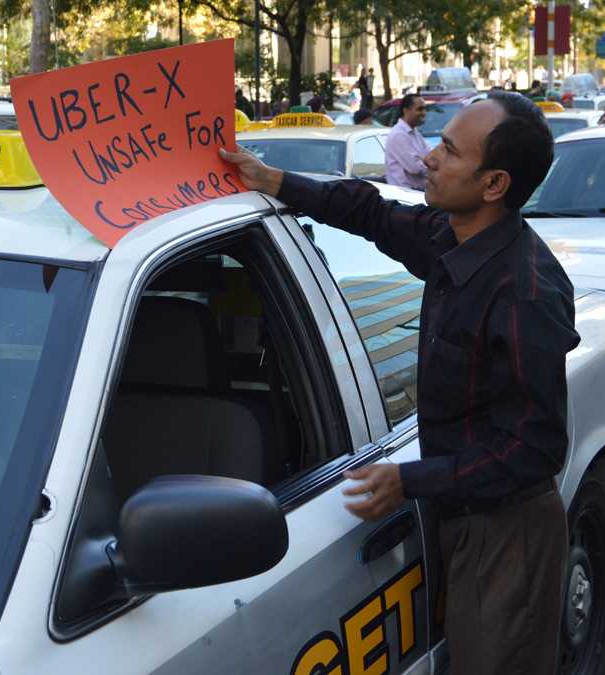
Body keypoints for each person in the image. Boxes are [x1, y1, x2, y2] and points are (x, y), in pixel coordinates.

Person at [220, 91, 577, 675]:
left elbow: (534, 450)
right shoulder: (450, 236)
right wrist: (273, 179)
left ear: (493, 185)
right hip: (457, 511)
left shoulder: (525, 293)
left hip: (504, 532)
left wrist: (409, 479)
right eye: (438, 142)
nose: (429, 157)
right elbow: (368, 210)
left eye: (451, 151)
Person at [383, 93, 429, 189]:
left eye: (425, 109)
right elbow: (415, 168)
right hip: (405, 196)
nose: (424, 113)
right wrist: (426, 161)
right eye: (419, 109)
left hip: (417, 192)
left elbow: (430, 156)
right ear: (406, 110)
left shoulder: (414, 132)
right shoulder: (398, 134)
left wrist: (424, 160)